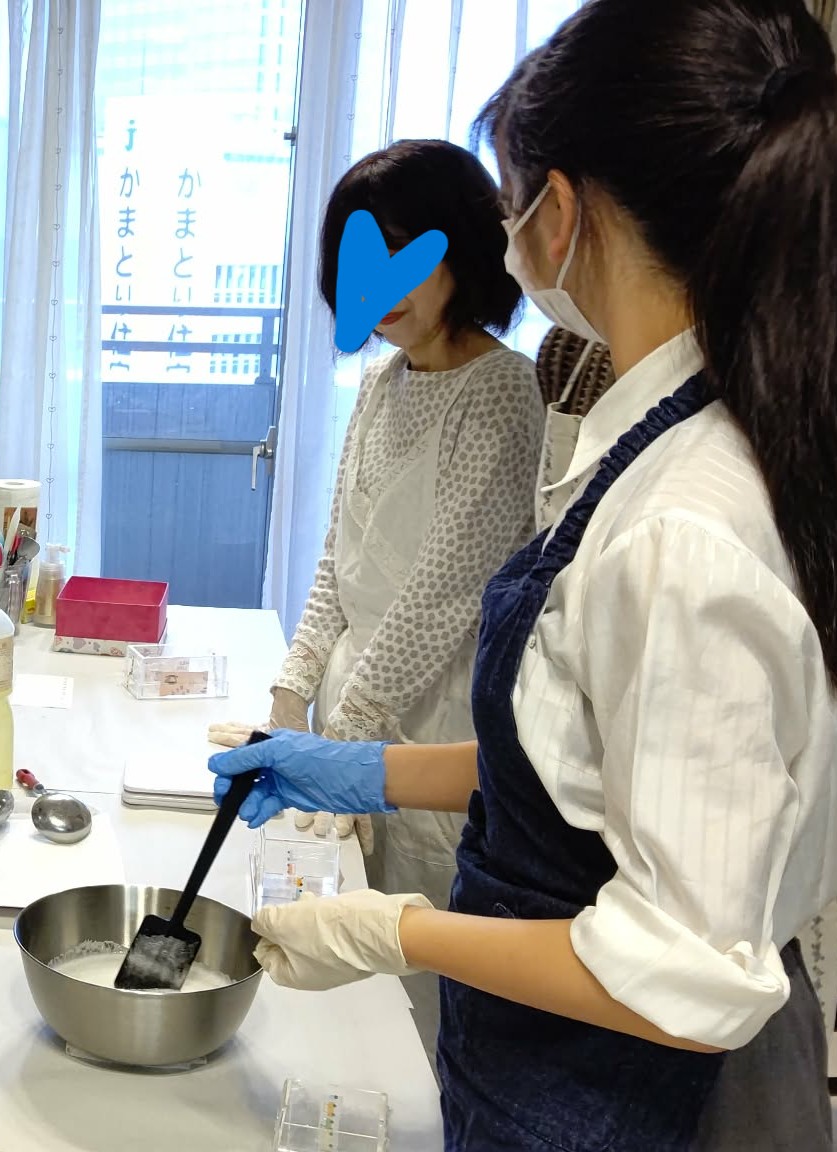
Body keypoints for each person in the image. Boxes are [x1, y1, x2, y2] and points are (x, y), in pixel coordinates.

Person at [212, 1, 837, 1147]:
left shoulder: (681, 527)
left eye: (507, 204)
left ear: (554, 213)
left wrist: (393, 931)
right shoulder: (659, 438)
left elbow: (681, 973)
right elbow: (576, 760)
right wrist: (356, 767)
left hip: (635, 1101)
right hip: (547, 1068)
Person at [212, 139, 541, 1043]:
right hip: (355, 701)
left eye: (404, 253)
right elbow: (337, 559)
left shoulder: (501, 392)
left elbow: (438, 600)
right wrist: (289, 700)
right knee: (336, 950)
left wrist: (338, 746)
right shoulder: (380, 381)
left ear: (462, 250)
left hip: (435, 716)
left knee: (418, 964)